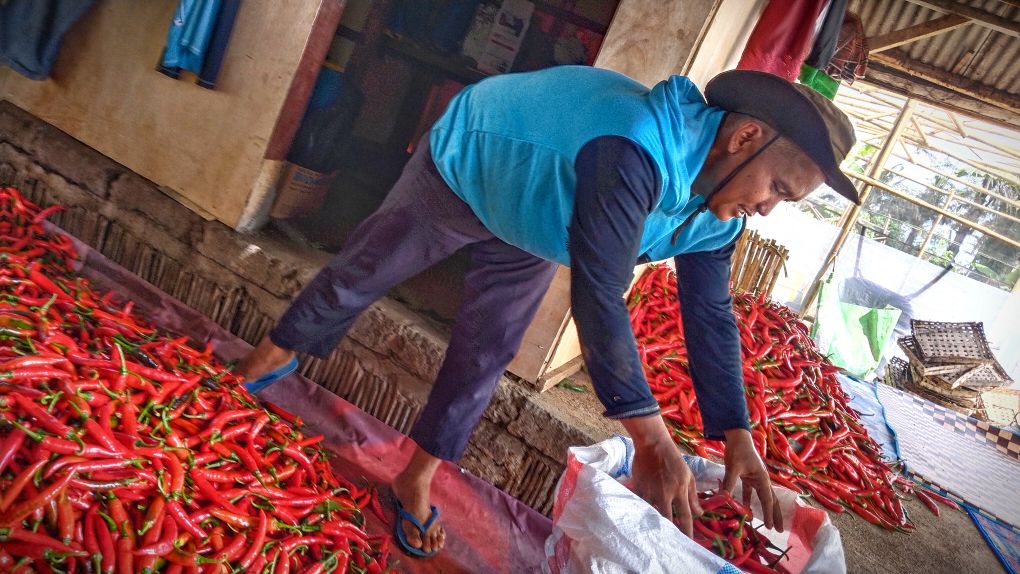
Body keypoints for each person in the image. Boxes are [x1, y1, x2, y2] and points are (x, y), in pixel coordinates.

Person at [237, 66, 859, 558]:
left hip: (537, 219)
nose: (769, 209)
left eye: (786, 202)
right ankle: (270, 355)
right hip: (475, 164)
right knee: (367, 270)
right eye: (777, 188)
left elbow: (710, 315)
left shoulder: (718, 215)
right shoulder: (634, 146)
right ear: (744, 139)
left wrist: (736, 433)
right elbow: (599, 293)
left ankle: (415, 477)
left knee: (488, 350)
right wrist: (649, 438)